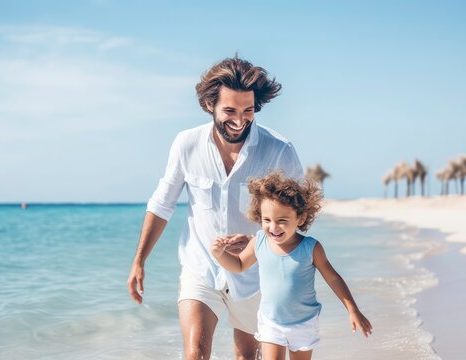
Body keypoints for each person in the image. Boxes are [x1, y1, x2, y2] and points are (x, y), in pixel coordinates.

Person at [127, 55, 304, 360]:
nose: (239, 121)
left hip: (255, 276)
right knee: (195, 354)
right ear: (210, 105)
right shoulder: (187, 144)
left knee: (247, 356)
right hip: (201, 268)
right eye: (230, 111)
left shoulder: (279, 150)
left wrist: (260, 241)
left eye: (248, 111)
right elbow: (162, 204)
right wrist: (139, 260)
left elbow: (300, 216)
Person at [211, 171, 373, 360]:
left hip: (304, 323)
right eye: (267, 220)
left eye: (282, 221)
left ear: (301, 219)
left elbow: (333, 278)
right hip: (271, 322)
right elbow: (238, 265)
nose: (273, 227)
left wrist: (353, 310)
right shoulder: (259, 242)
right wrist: (219, 255)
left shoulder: (310, 248)